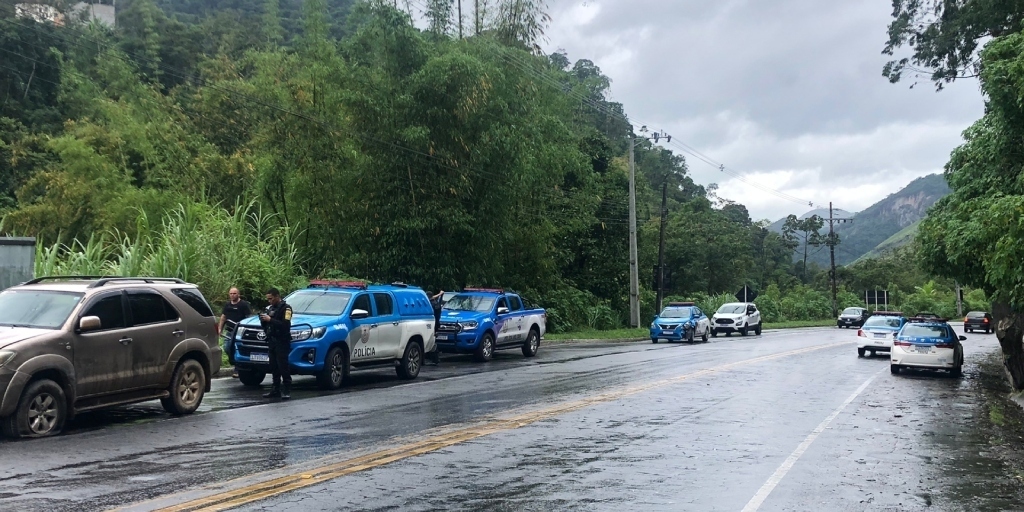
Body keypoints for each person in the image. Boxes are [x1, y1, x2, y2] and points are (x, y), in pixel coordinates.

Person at [260, 288, 293, 400]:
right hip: (272, 340)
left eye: (271, 299)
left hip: (282, 341)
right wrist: (264, 321)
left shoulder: (286, 308)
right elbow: (267, 325)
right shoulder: (270, 308)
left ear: (277, 296)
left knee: (283, 366)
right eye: (268, 299)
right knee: (274, 366)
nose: (269, 301)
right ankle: (275, 389)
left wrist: (270, 320)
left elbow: (285, 325)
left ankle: (287, 388)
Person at [218, 287, 252, 379]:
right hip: (229, 330)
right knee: (227, 347)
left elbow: (248, 318)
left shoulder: (243, 305)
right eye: (231, 293)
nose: (232, 295)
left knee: (236, 348)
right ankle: (235, 362)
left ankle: (237, 367)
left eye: (234, 293)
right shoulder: (227, 305)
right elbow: (223, 317)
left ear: (238, 294)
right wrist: (220, 328)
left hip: (239, 331)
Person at [426, 290, 445, 365]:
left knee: (432, 341)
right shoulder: (436, 303)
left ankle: (435, 358)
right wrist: (440, 294)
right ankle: (435, 358)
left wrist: (440, 294)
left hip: (432, 324)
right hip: (436, 324)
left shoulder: (431, 305)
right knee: (433, 340)